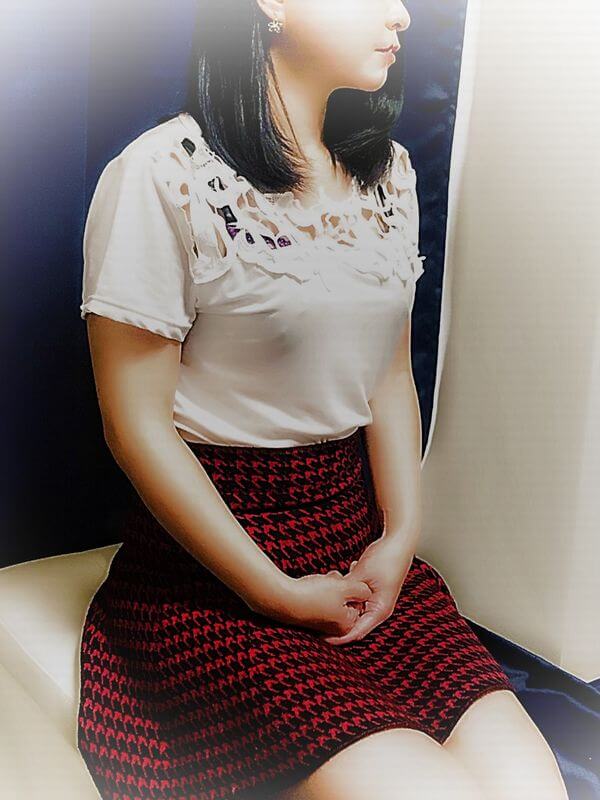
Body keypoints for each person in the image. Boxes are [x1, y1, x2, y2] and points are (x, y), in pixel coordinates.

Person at [77, 1, 569, 798]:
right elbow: (134, 426)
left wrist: (400, 537)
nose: (400, 15)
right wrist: (270, 590)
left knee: (532, 787)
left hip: (353, 541)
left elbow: (389, 376)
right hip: (209, 575)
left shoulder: (389, 171)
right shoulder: (160, 173)